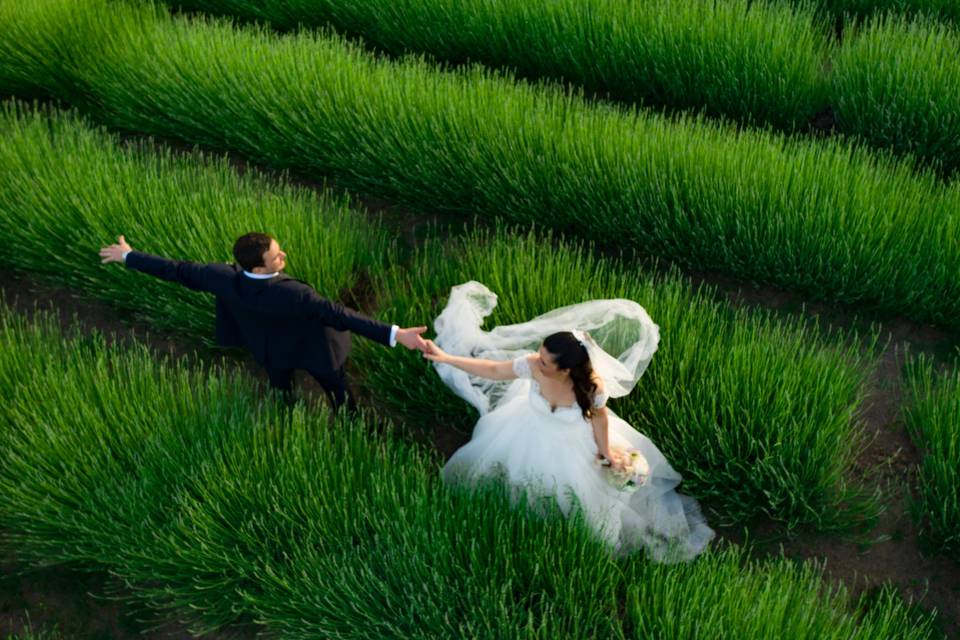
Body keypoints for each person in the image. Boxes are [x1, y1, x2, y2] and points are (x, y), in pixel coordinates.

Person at [421, 281, 713, 562]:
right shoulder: (534, 365)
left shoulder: (592, 388)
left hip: (570, 444)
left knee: (575, 497)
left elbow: (600, 422)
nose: (537, 360)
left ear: (567, 369)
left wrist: (606, 452)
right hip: (525, 428)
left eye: (546, 361)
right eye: (540, 354)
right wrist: (446, 358)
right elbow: (495, 370)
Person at [99, 232, 428, 411]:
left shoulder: (220, 277)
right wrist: (396, 334)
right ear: (258, 268)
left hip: (269, 348)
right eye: (277, 256)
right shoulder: (295, 294)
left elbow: (177, 270)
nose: (283, 257)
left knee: (280, 384)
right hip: (315, 349)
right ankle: (348, 419)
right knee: (336, 388)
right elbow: (341, 315)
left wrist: (129, 255)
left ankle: (284, 410)